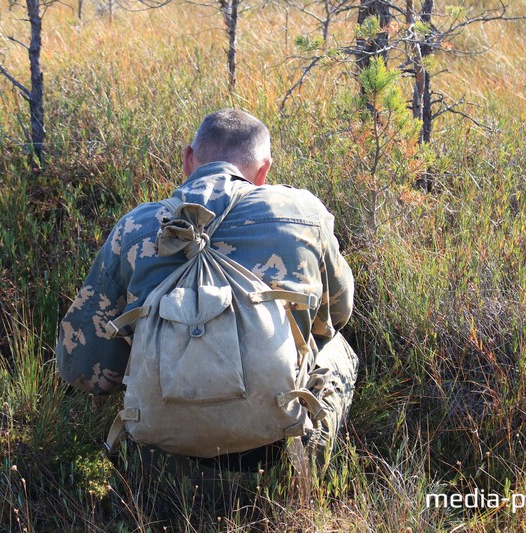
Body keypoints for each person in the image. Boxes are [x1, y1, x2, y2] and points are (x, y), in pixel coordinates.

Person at [56, 108, 358, 474]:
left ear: (188, 160)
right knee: (338, 347)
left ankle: (157, 468)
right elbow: (336, 316)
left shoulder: (135, 228)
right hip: (274, 431)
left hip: (163, 440)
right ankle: (302, 472)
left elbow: (83, 369)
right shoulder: (303, 215)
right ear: (264, 170)